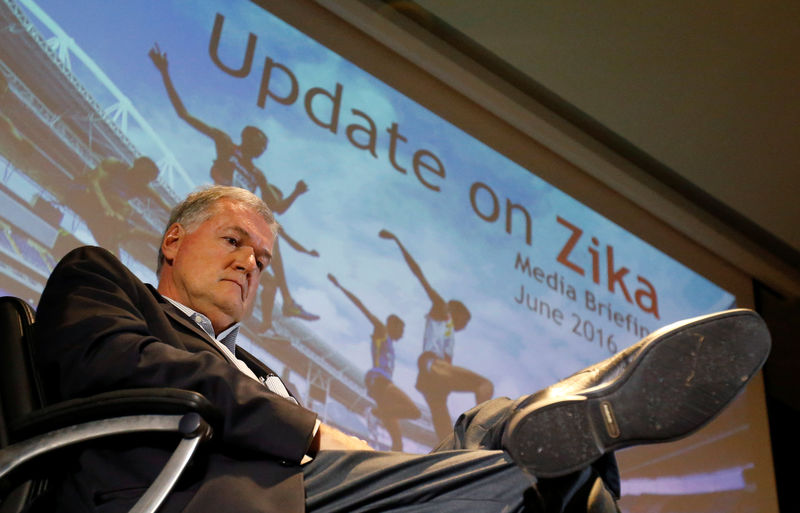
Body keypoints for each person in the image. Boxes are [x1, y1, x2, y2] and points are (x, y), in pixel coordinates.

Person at [34, 185, 771, 513]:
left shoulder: (261, 368)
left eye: (262, 260)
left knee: (510, 486)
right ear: (172, 240)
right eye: (235, 242)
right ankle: (528, 435)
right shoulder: (99, 277)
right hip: (203, 492)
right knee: (507, 477)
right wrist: (310, 429)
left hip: (294, 486)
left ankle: (529, 438)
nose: (250, 265)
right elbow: (129, 365)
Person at [148, 44, 319, 327]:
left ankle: (280, 306)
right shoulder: (227, 144)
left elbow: (276, 207)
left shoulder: (257, 173)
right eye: (259, 143)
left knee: (270, 243)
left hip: (241, 220)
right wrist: (165, 73)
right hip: (218, 210)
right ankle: (285, 302)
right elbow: (184, 115)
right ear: (248, 138)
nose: (261, 149)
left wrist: (296, 194)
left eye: (264, 147)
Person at [379, 228, 495, 440]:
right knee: (484, 384)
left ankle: (446, 458)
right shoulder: (442, 309)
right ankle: (480, 431)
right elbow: (419, 275)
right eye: (465, 322)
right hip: (433, 366)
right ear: (457, 313)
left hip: (432, 379)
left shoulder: (448, 330)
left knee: (443, 432)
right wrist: (398, 241)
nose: (464, 327)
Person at [328, 273, 421, 450]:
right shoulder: (382, 331)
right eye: (401, 329)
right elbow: (362, 307)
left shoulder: (390, 344)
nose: (402, 334)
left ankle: (378, 416)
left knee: (398, 444)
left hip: (381, 388)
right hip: (379, 381)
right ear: (393, 325)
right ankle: (375, 412)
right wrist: (339, 286)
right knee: (414, 411)